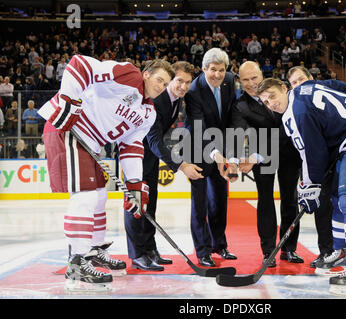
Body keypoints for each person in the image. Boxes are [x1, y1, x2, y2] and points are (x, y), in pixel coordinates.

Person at [38, 55, 174, 292]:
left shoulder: (148, 112)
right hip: (70, 129)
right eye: (159, 79)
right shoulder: (129, 75)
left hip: (91, 143)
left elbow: (131, 146)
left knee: (100, 196)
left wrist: (134, 184)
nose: (160, 86)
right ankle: (77, 261)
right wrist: (69, 100)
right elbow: (79, 64)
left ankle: (94, 251)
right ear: (147, 73)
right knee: (86, 197)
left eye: (165, 84)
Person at [257, 71, 346, 294]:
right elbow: (338, 87)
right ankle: (343, 253)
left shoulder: (296, 113)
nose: (270, 104)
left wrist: (309, 185)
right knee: (338, 199)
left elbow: (313, 152)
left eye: (272, 96)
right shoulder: (304, 90)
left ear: (284, 88)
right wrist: (309, 185)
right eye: (264, 101)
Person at [125, 61, 203, 271]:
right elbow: (154, 140)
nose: (183, 86)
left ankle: (150, 250)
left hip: (149, 159)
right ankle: (137, 254)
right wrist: (181, 165)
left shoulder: (177, 100)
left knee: (150, 205)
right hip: (134, 157)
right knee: (135, 206)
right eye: (179, 81)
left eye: (187, 82)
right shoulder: (157, 99)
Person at [228, 61, 303, 268]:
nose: (251, 83)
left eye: (254, 77)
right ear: (239, 81)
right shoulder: (240, 105)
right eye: (246, 80)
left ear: (262, 74)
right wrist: (233, 161)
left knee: (290, 199)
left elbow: (287, 129)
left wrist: (258, 153)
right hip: (260, 159)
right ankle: (269, 251)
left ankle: (289, 249)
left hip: (288, 153)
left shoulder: (278, 91)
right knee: (265, 201)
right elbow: (237, 132)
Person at [287, 66, 346, 268]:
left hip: (345, 154)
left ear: (311, 78)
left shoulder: (334, 87)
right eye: (294, 83)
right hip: (319, 161)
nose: (299, 85)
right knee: (323, 207)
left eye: (301, 79)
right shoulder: (296, 106)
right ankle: (327, 251)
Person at [183, 48, 238, 267]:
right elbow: (198, 127)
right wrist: (216, 154)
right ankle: (203, 251)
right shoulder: (194, 90)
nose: (217, 75)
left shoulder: (230, 81)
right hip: (198, 147)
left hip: (222, 147)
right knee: (200, 204)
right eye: (212, 70)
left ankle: (219, 245)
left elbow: (232, 117)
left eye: (221, 70)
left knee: (219, 201)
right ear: (204, 68)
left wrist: (230, 155)